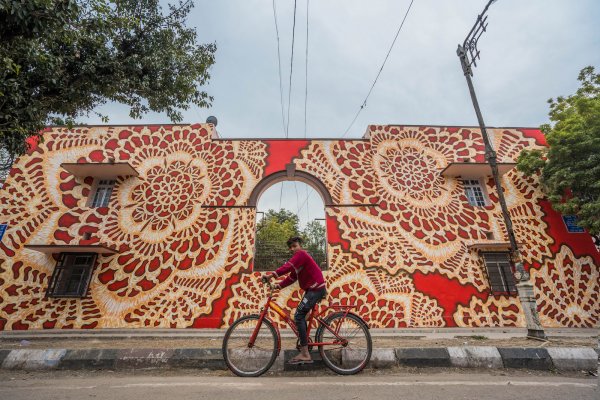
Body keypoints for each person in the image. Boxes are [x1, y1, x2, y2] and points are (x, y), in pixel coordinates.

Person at [263, 236, 327, 364]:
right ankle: (305, 343)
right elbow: (292, 278)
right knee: (301, 315)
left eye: (295, 246)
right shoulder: (298, 260)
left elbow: (287, 267)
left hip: (315, 289)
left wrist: (271, 275)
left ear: (300, 246)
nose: (293, 248)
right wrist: (277, 286)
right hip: (313, 290)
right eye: (291, 247)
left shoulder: (301, 254)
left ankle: (305, 353)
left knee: (298, 316)